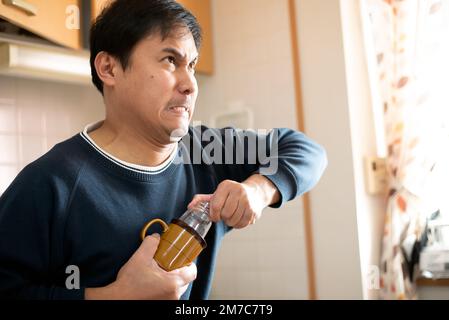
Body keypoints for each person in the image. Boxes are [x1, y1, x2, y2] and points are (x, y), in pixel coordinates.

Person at [0, 0, 327, 300]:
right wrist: (117, 296)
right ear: (109, 69)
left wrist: (258, 190)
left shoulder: (206, 150)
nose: (190, 84)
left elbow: (304, 149)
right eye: (171, 60)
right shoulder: (51, 183)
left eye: (193, 66)